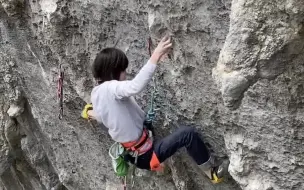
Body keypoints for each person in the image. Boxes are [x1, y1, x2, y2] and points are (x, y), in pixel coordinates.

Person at [82, 36, 228, 184]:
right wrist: (155, 56)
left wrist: (88, 112)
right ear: (113, 72)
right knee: (187, 134)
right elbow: (135, 86)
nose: (125, 74)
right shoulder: (111, 87)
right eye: (123, 70)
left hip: (137, 154)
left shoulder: (96, 93)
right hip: (146, 153)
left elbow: (100, 116)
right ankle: (212, 172)